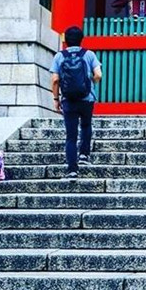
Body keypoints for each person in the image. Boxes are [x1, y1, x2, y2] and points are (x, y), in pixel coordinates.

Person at [51, 24, 102, 179]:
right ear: (81, 40)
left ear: (65, 40)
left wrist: (56, 99)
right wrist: (89, 81)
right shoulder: (89, 54)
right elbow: (99, 75)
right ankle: (84, 156)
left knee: (71, 136)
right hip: (86, 98)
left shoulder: (59, 56)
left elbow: (55, 80)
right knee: (86, 125)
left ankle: (72, 170)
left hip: (68, 99)